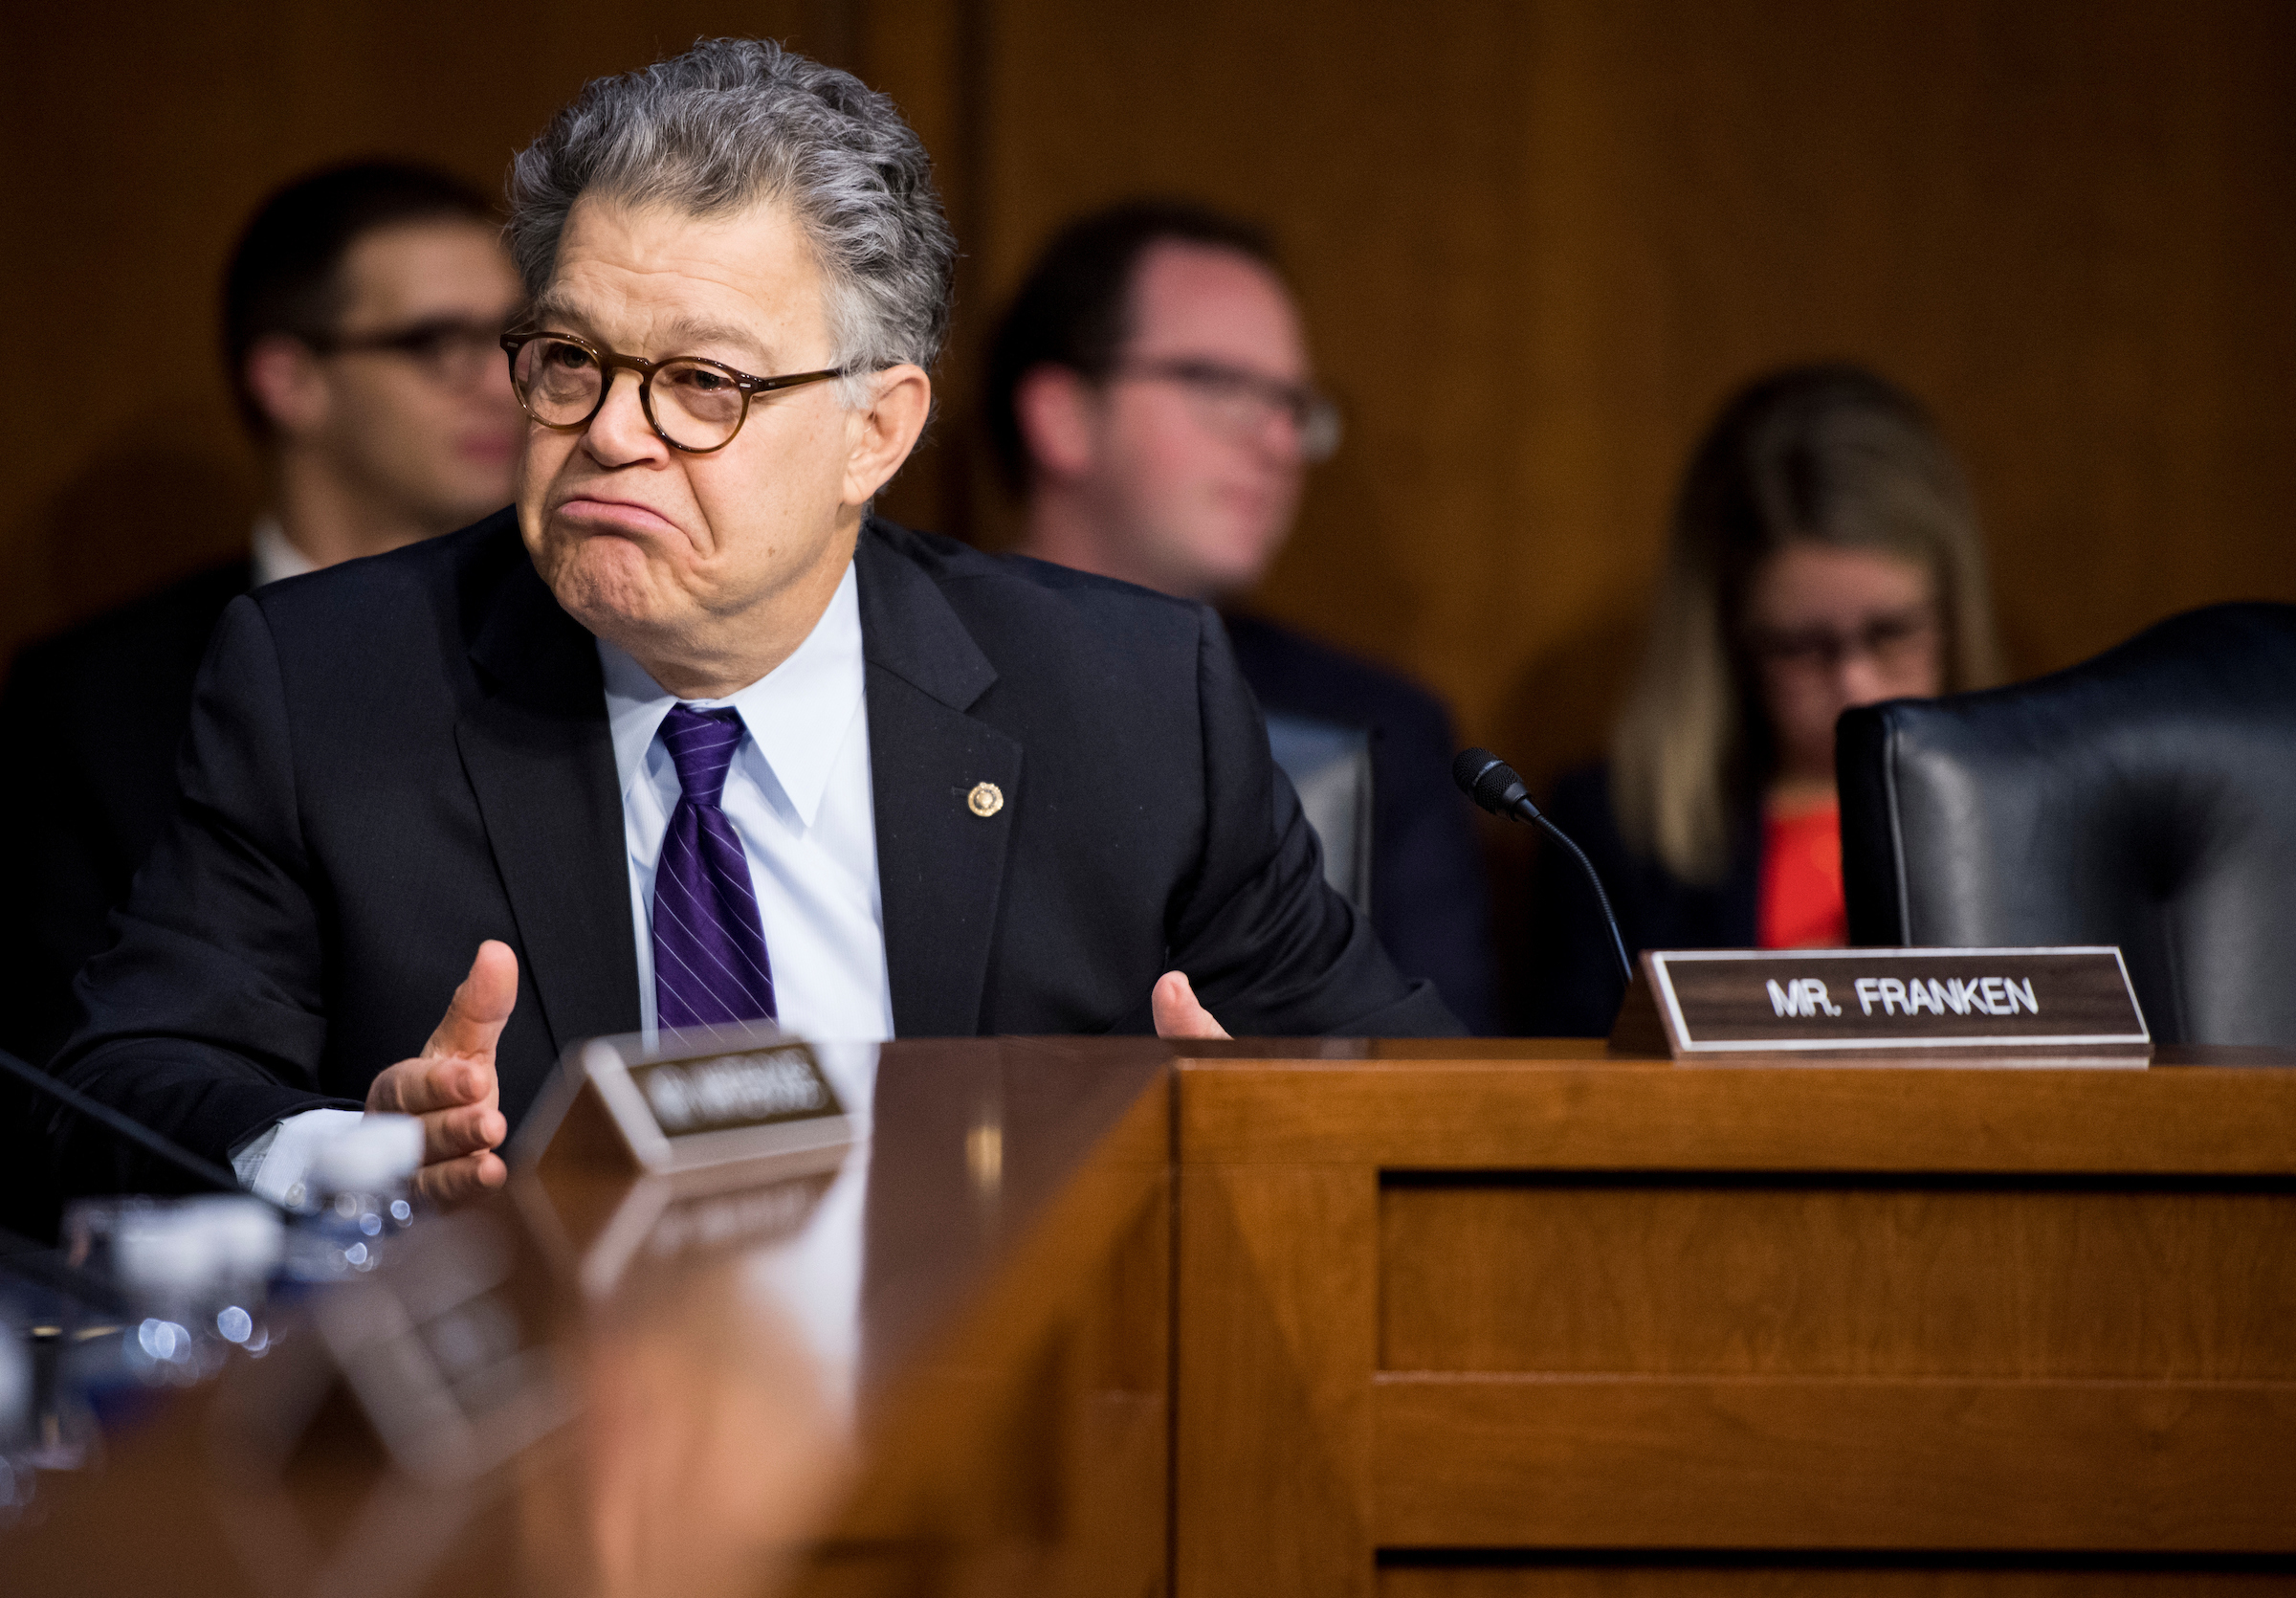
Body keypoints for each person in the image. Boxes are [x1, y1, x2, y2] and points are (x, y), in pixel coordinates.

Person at [48, 39, 1457, 1208]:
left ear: (876, 429)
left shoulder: (1126, 701)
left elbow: (1429, 1103)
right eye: (569, 361)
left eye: (704, 385)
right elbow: (115, 1087)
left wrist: (1278, 1126)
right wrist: (355, 1153)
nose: (611, 435)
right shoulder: (331, 684)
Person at [0, 161, 525, 1068]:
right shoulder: (89, 700)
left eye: (517, 338)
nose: (502, 384)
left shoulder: (590, 635)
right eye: (441, 343)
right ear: (290, 379)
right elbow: (70, 1069)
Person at [984, 202, 1499, 1032]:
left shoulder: (1381, 729)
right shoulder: (886, 678)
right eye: (1222, 386)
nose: (1279, 442)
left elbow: (1442, 1074)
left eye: (1294, 405)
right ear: (1063, 415)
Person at [1519, 364, 2003, 1034]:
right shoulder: (1611, 834)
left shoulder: (2028, 814)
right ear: (1728, 639)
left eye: (1891, 633)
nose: (1855, 683)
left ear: (1955, 609)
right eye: (1803, 647)